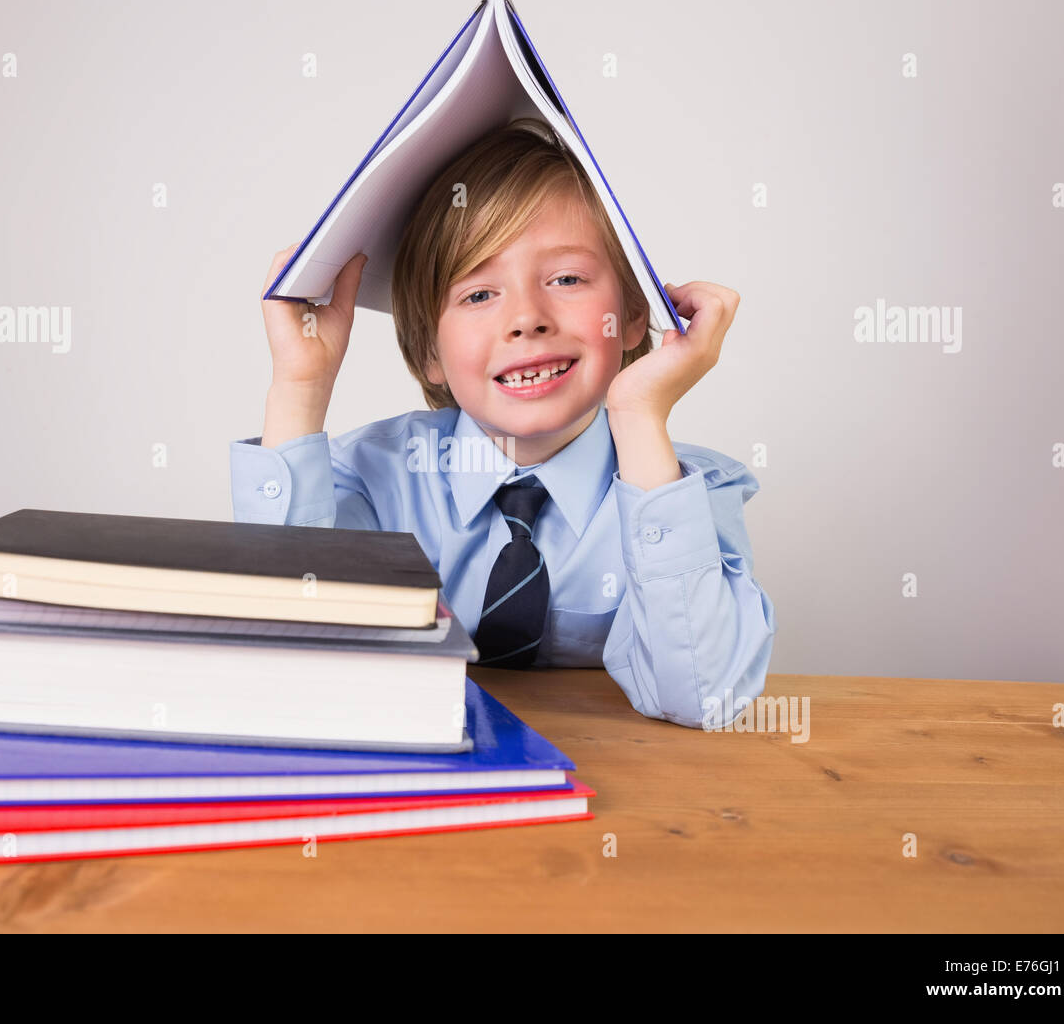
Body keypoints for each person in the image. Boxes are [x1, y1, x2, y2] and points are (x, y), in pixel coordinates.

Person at [230, 118, 776, 730]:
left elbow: (700, 697)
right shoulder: (372, 478)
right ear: (429, 350)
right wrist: (300, 389)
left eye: (567, 279)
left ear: (628, 317)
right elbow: (288, 655)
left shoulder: (686, 494)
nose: (526, 319)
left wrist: (640, 415)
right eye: (479, 294)